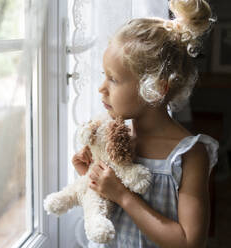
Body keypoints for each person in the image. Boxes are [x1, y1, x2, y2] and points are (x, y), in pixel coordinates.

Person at [72, 0, 219, 247]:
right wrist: (92, 177)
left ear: (155, 88)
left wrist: (122, 195)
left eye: (114, 79)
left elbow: (189, 242)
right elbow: (106, 211)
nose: (101, 88)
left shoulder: (189, 155)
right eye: (103, 76)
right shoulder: (112, 140)